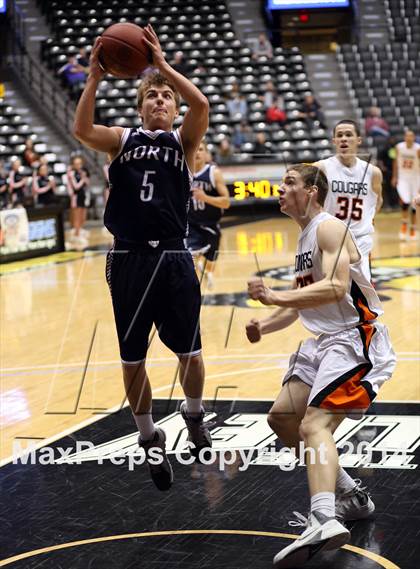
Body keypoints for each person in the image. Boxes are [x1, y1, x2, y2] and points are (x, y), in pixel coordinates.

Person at [73, 25, 211, 491]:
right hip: (129, 259)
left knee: (190, 352)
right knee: (132, 360)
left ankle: (193, 416)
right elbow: (81, 129)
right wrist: (93, 78)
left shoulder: (183, 144)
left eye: (166, 98)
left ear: (174, 109)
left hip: (174, 258)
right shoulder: (122, 138)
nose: (159, 101)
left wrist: (164, 67)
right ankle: (149, 435)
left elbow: (203, 106)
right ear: (140, 107)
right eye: (151, 96)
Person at [246, 163, 395, 568]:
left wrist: (274, 297)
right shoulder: (304, 239)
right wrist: (266, 322)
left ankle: (323, 517)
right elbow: (306, 303)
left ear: (312, 191)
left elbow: (334, 287)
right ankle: (350, 494)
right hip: (324, 342)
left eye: (289, 183)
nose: (281, 189)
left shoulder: (329, 227)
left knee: (314, 425)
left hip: (354, 339)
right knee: (281, 418)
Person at [314, 120, 383, 279]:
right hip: (332, 240)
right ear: (334, 141)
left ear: (358, 140)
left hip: (360, 242)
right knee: (331, 293)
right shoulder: (322, 167)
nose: (344, 139)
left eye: (348, 135)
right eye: (339, 135)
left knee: (362, 299)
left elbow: (378, 200)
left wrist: (369, 217)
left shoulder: (373, 172)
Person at [187, 140, 230, 289]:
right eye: (195, 149)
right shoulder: (183, 172)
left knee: (211, 262)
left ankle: (204, 267)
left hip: (211, 226)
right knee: (188, 260)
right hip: (190, 226)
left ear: (206, 154)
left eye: (201, 150)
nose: (197, 152)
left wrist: (205, 198)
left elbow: (226, 202)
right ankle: (191, 291)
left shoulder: (214, 173)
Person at [391, 130, 420, 240]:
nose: (409, 138)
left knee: (414, 204)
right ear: (404, 137)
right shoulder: (399, 147)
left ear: (414, 138)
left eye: (411, 136)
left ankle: (412, 228)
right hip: (403, 177)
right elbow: (395, 162)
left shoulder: (417, 149)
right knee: (405, 201)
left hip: (415, 178)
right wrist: (394, 176)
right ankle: (404, 225)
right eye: (407, 136)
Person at [67, 155, 90, 245]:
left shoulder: (83, 172)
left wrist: (84, 178)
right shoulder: (71, 173)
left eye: (80, 163)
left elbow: (88, 183)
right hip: (75, 196)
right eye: (76, 163)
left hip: (83, 195)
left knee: (83, 217)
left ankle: (79, 231)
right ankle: (76, 235)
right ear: (73, 164)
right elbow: (76, 187)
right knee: (76, 217)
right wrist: (83, 179)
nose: (78, 165)